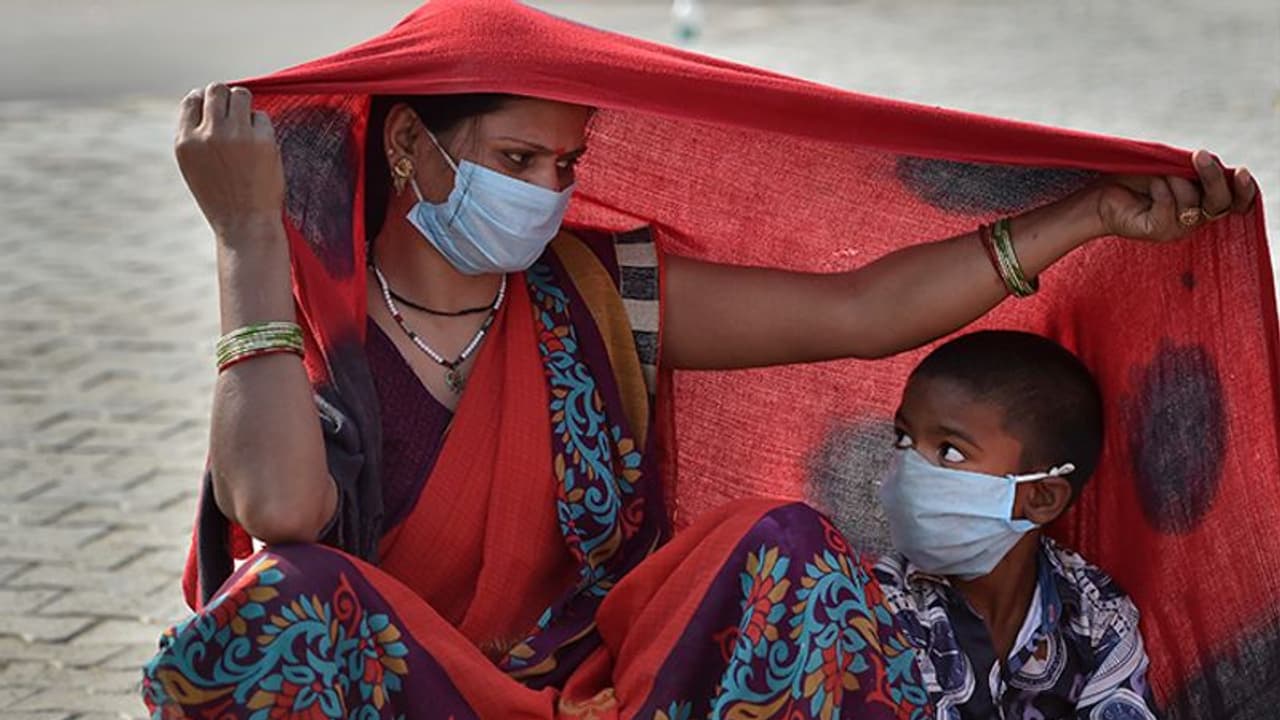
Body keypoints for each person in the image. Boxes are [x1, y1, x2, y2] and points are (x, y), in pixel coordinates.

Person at [140, 21, 1256, 720]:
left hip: (598, 693)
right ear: (407, 148)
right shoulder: (309, 324)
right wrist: (246, 241)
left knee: (785, 545)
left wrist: (1082, 219)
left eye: (565, 163)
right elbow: (280, 510)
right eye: (515, 159)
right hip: (396, 693)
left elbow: (860, 310)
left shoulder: (594, 295)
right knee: (284, 602)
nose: (546, 190)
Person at [875, 331, 1159, 719]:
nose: (910, 471)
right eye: (904, 439)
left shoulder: (1097, 616)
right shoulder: (877, 605)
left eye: (950, 452)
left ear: (1041, 497)